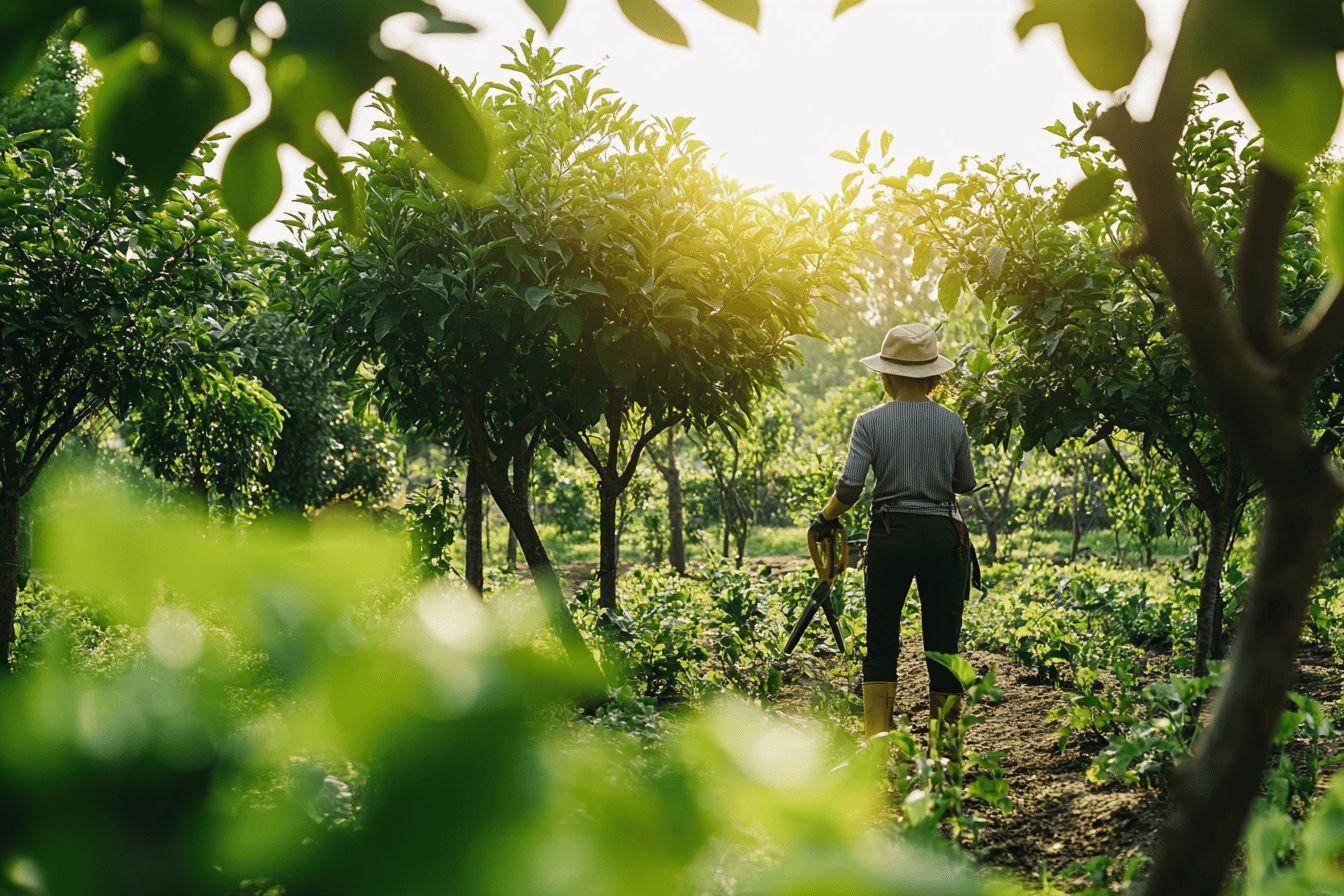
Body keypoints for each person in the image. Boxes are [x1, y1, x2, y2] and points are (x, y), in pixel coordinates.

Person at [808, 322, 977, 739]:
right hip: (943, 536)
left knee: (882, 639)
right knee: (943, 643)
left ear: (886, 374)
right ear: (934, 376)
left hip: (890, 533)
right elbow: (965, 484)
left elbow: (850, 488)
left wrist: (825, 518)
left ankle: (878, 743)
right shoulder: (953, 423)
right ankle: (947, 746)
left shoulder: (869, 423)